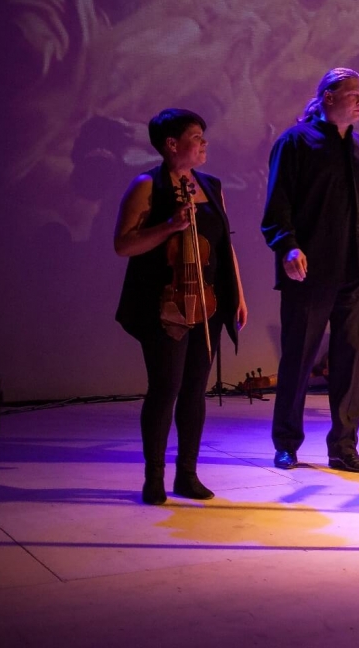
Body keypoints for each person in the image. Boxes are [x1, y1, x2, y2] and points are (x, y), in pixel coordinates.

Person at [261, 68, 359, 473]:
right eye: (353, 94)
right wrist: (287, 245)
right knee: (299, 360)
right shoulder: (294, 141)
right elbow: (277, 204)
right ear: (328, 96)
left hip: (354, 271)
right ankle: (286, 444)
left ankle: (343, 446)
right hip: (310, 273)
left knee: (349, 362)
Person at [114, 109, 247, 504]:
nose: (204, 143)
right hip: (165, 306)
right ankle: (153, 477)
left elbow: (224, 245)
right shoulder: (147, 186)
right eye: (196, 137)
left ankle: (187, 474)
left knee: (194, 392)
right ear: (171, 144)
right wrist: (169, 226)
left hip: (207, 303)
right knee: (165, 389)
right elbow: (123, 245)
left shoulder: (211, 185)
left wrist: (239, 294)